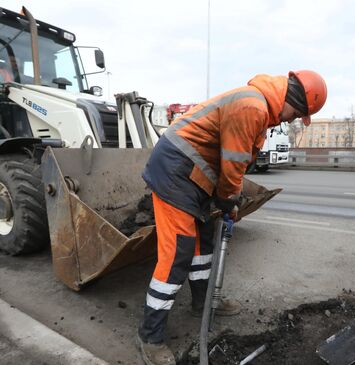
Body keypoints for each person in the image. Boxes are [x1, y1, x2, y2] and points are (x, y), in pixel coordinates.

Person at [137, 70, 327, 365]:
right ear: (292, 101)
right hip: (175, 171)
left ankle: (202, 304)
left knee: (203, 245)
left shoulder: (260, 107)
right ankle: (150, 336)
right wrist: (228, 202)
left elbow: (233, 162)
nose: (290, 120)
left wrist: (228, 199)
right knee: (178, 253)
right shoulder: (252, 106)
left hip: (195, 174)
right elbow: (234, 162)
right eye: (296, 114)